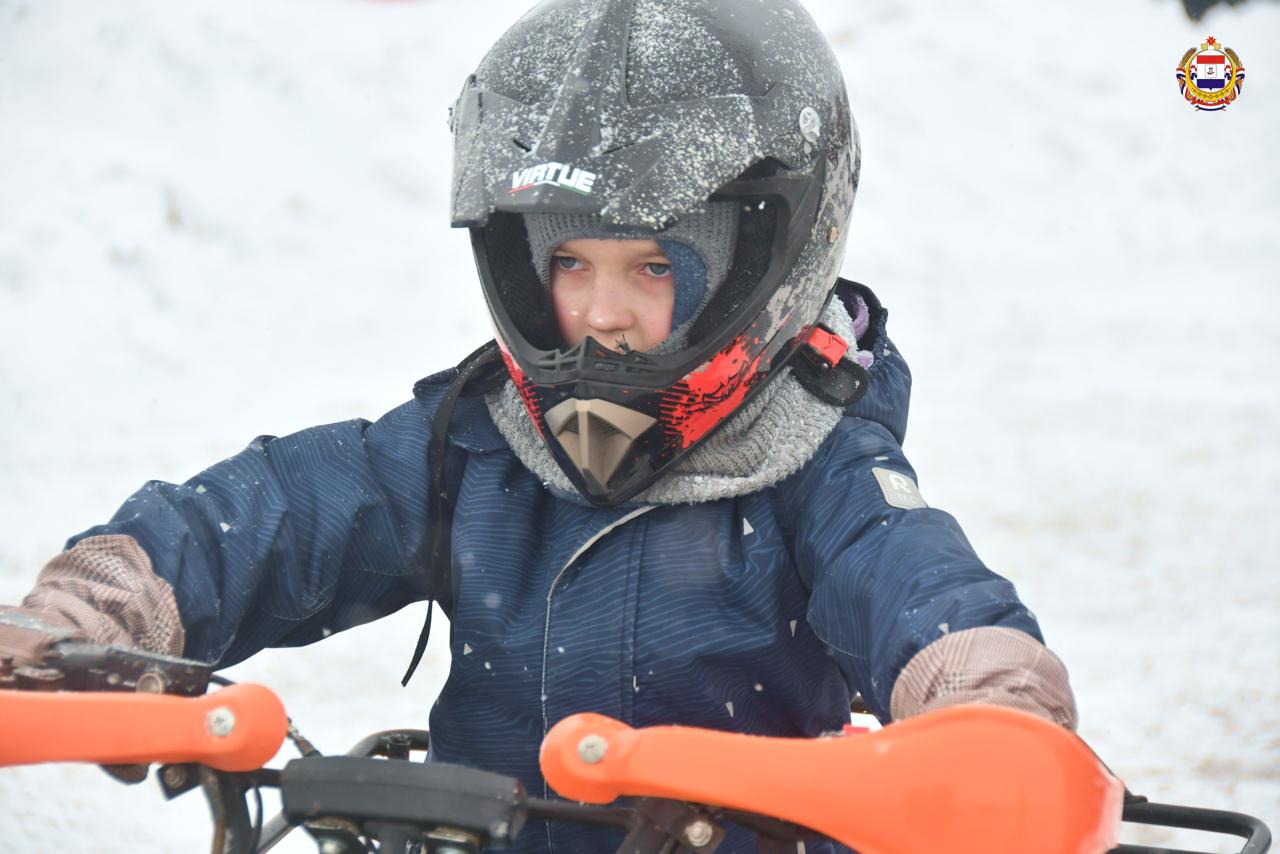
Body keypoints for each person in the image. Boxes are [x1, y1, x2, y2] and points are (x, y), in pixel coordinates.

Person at [0, 0, 1077, 850]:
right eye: (568, 264)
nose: (600, 313)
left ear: (764, 262)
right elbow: (280, 512)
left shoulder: (811, 464)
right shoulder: (479, 443)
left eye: (653, 266)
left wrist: (989, 714)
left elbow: (919, 584)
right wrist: (98, 616)